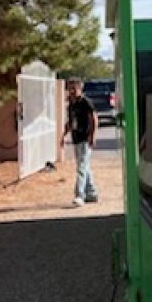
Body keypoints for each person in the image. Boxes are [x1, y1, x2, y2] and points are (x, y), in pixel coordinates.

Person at [64, 77, 98, 206]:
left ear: (80, 88)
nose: (71, 91)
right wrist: (63, 135)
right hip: (76, 138)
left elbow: (94, 119)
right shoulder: (71, 104)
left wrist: (93, 136)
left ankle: (79, 195)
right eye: (69, 88)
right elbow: (70, 122)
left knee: (82, 167)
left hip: (85, 138)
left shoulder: (86, 102)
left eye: (74, 88)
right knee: (83, 166)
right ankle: (92, 193)